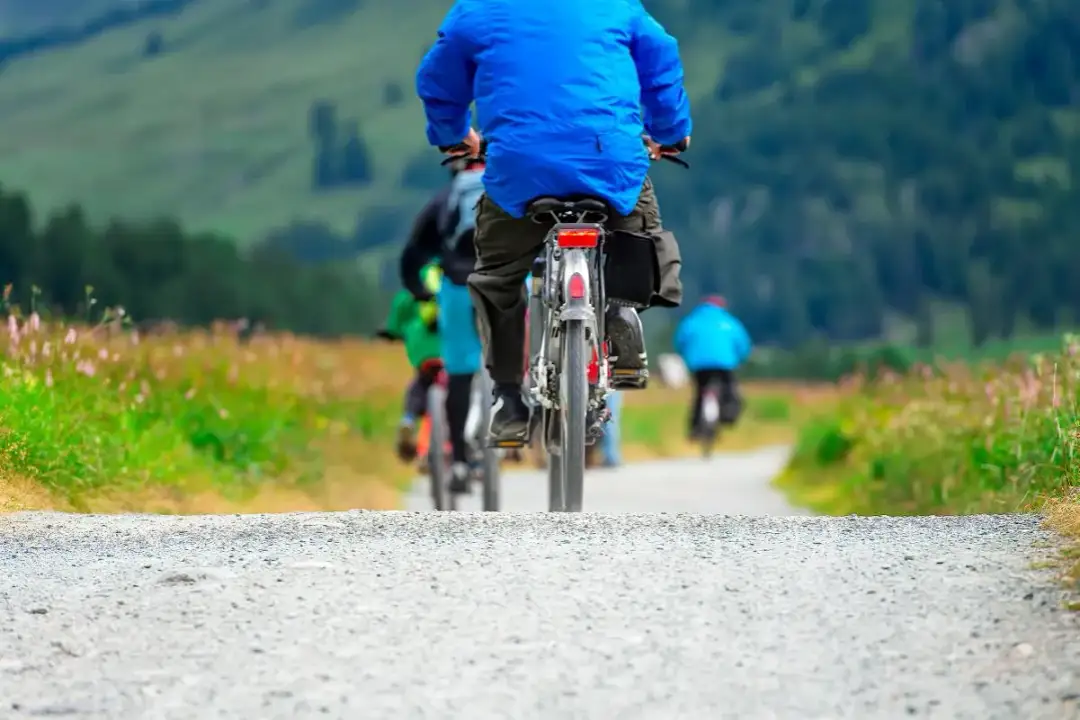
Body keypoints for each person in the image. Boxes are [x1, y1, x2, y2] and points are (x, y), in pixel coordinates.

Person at [415, 0, 692, 445]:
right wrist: (670, 131)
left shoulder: (477, 10)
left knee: (498, 278)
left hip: (521, 170)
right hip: (609, 159)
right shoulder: (617, 6)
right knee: (640, 229)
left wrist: (454, 135)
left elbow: (437, 78)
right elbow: (661, 56)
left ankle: (507, 395)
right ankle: (622, 309)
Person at [398, 156, 487, 494]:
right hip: (506, 285)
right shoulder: (507, 189)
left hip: (458, 287)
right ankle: (517, 407)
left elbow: (412, 255)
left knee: (460, 373)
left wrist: (419, 292)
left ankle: (461, 462)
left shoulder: (445, 199)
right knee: (514, 357)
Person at [378, 263, 443, 463]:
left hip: (423, 350)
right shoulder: (455, 279)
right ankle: (434, 447)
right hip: (453, 348)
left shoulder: (412, 286)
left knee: (420, 386)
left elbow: (395, 324)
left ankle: (408, 418)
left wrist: (390, 332)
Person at [673, 295, 753, 439]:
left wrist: (686, 357)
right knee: (729, 389)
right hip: (725, 363)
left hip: (698, 364)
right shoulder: (730, 321)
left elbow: (680, 341)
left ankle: (696, 427)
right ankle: (727, 415)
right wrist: (740, 359)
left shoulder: (692, 320)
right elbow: (743, 344)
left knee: (699, 392)